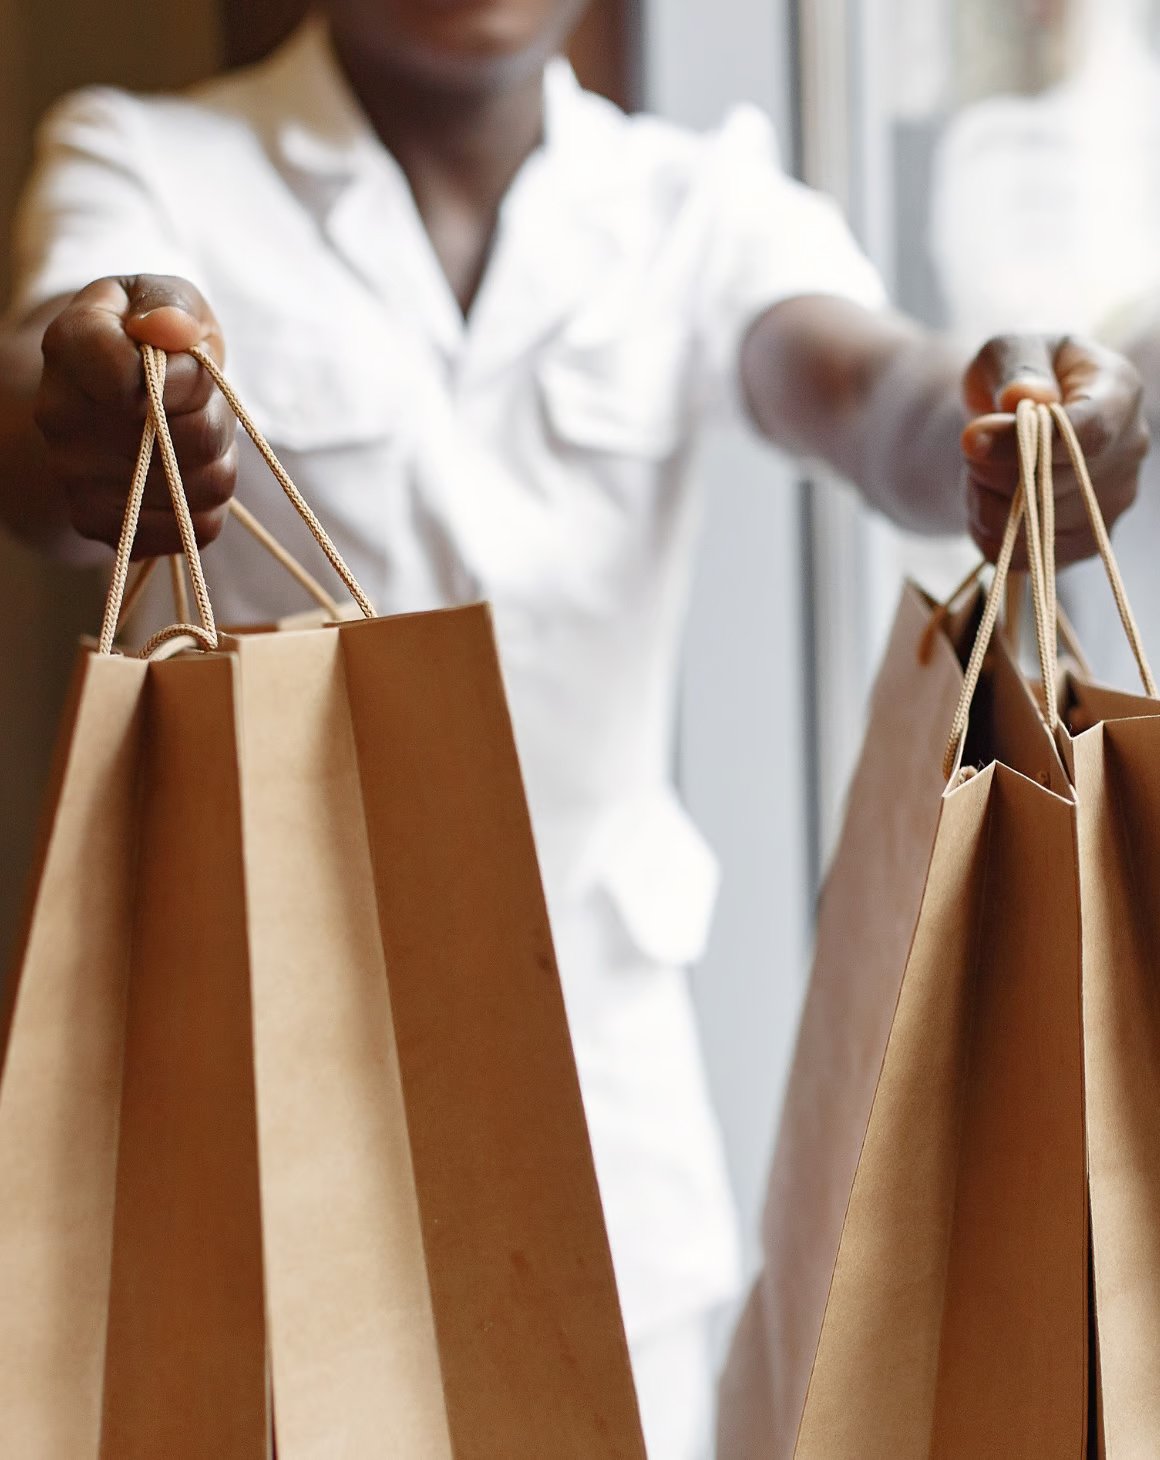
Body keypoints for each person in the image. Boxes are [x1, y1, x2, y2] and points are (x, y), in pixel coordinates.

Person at [0, 3, 1147, 1455]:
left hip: (609, 1157)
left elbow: (870, 388)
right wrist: (90, 416)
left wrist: (1010, 416)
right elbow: (39, 398)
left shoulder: (695, 199)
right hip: (248, 1125)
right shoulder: (148, 158)